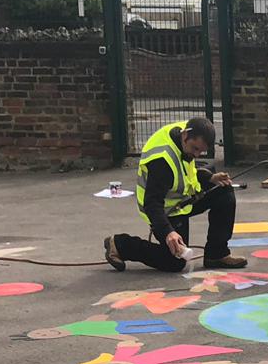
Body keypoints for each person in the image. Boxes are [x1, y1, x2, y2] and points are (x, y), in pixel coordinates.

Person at [105, 115, 247, 273]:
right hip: (164, 210)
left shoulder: (186, 134)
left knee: (224, 191)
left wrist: (210, 178)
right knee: (175, 261)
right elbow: (152, 204)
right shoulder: (162, 162)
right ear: (185, 136)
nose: (197, 154)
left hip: (182, 200)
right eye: (195, 149)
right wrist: (168, 232)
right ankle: (120, 245)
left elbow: (185, 173)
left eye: (202, 151)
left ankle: (216, 254)